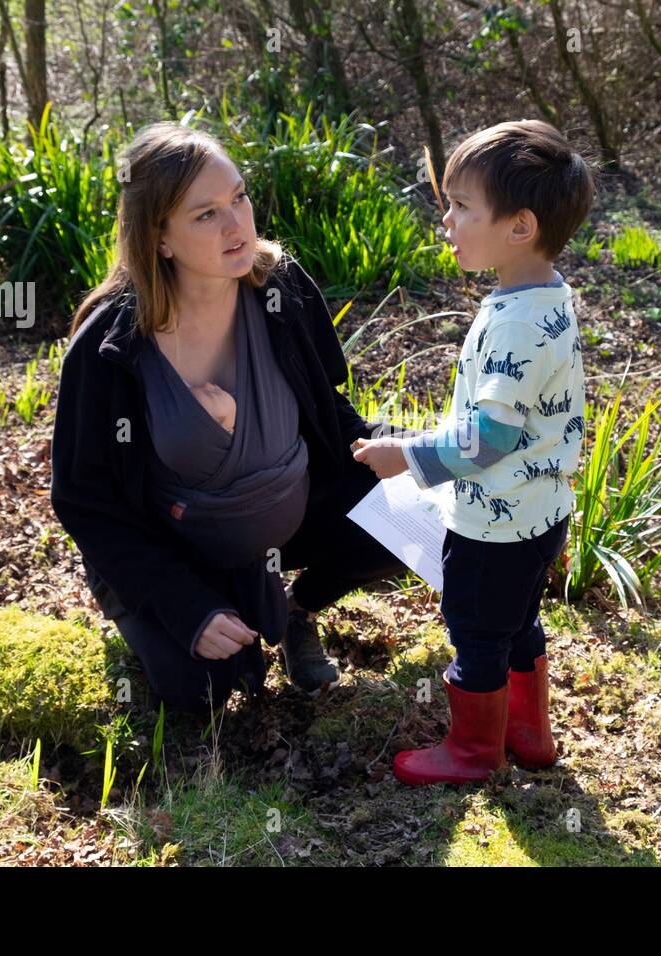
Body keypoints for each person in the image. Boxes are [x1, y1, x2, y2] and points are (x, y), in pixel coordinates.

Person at [51, 121, 407, 713]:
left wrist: (408, 451)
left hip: (286, 517)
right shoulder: (110, 348)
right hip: (175, 550)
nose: (237, 224)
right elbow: (85, 501)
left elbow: (331, 413)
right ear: (159, 238)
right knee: (211, 692)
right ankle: (205, 607)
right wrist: (182, 603)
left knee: (413, 509)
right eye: (205, 214)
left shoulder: (281, 290)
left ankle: (297, 611)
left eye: (238, 197)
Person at [353, 120, 594, 785]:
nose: (448, 221)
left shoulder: (517, 321)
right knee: (519, 625)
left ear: (518, 227)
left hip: (495, 523)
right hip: (541, 512)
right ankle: (530, 734)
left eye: (462, 207)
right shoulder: (545, 296)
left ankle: (472, 753)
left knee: (477, 634)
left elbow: (490, 438)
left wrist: (408, 455)